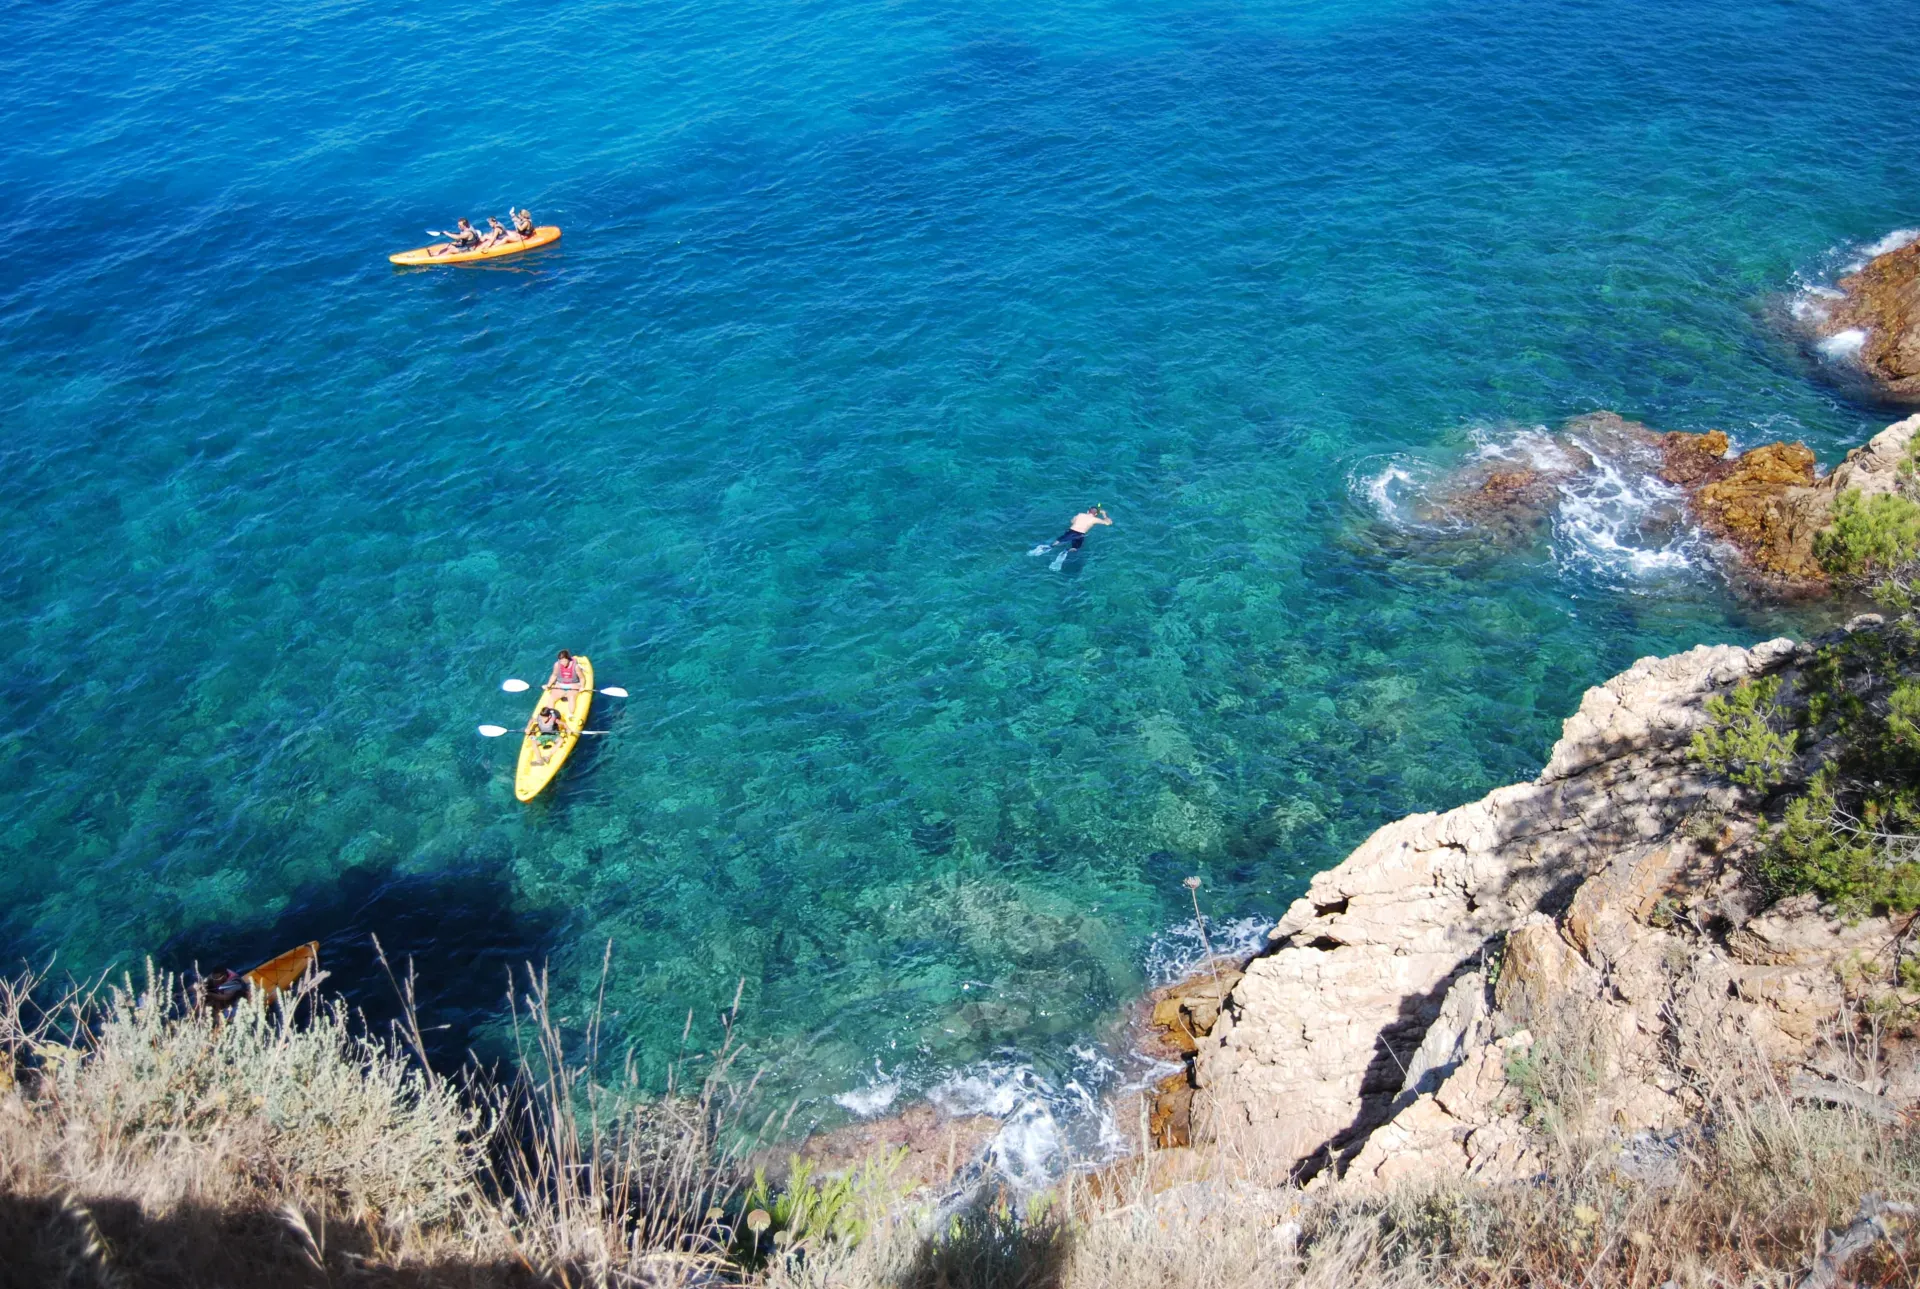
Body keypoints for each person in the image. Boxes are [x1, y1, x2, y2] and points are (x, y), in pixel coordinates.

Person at [1034, 504, 1112, 556]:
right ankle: (1066, 551)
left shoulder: (1080, 514)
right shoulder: (1095, 519)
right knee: (1075, 548)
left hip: (1071, 531)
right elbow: (1108, 523)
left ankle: (1049, 547)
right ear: (1095, 514)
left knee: (1059, 540)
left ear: (1088, 511)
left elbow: (1072, 521)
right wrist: (1104, 514)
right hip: (1080, 535)